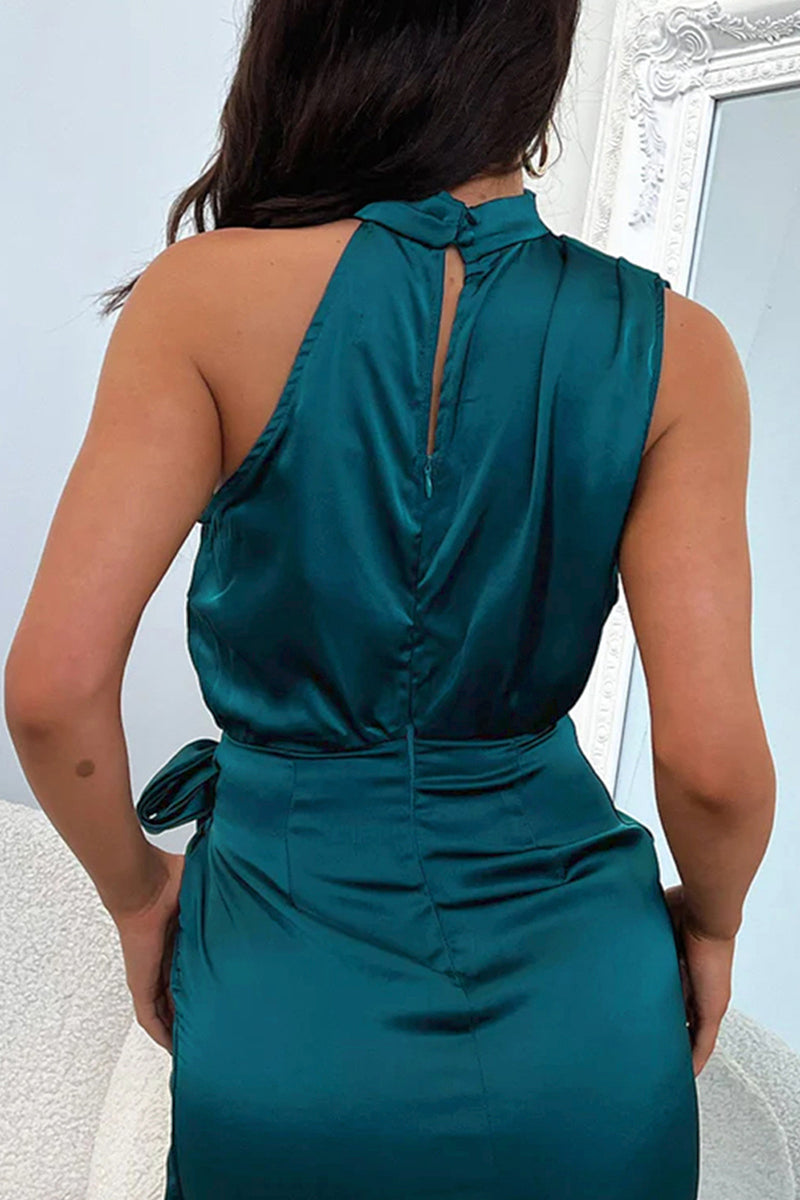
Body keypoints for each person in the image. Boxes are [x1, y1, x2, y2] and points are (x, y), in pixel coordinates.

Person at [4, 0, 776, 1197]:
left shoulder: (202, 300)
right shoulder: (677, 348)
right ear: (533, 58)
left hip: (283, 997)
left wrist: (139, 895)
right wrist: (712, 924)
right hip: (583, 1024)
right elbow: (712, 766)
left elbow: (52, 691)